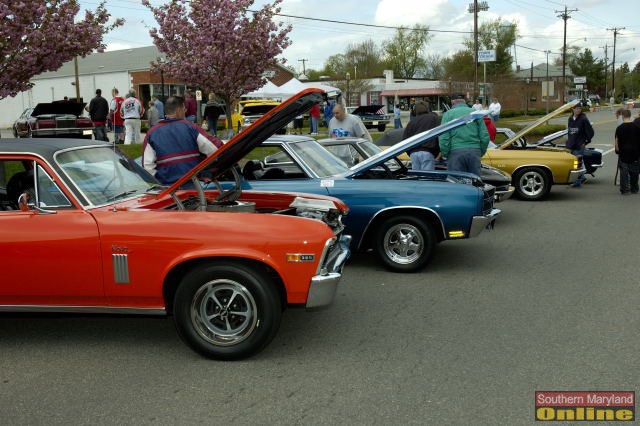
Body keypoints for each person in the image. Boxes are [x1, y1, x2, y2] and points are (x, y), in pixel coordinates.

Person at [142, 95, 224, 186]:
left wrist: (160, 183)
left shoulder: (151, 133)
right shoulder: (190, 127)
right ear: (178, 110)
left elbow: (147, 167)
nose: (185, 112)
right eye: (184, 109)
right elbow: (214, 149)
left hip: (166, 189)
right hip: (191, 185)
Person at [439, 98, 490, 177]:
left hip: (455, 152)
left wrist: (445, 153)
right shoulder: (475, 113)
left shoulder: (448, 114)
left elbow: (443, 137)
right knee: (474, 182)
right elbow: (484, 136)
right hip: (474, 151)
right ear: (465, 103)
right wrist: (481, 151)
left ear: (452, 104)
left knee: (457, 184)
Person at [402, 101, 440, 170]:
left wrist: (410, 152)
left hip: (413, 154)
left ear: (415, 111)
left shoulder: (411, 122)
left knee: (416, 178)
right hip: (428, 152)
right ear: (427, 109)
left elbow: (405, 140)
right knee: (427, 178)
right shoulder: (433, 118)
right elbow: (440, 134)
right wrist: (438, 152)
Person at [566, 103, 594, 187]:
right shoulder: (570, 119)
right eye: (576, 108)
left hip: (579, 145)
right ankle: (581, 177)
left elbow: (591, 132)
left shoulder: (583, 119)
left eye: (579, 108)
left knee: (577, 163)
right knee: (575, 163)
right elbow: (570, 132)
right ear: (573, 109)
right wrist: (568, 142)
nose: (578, 110)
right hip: (571, 145)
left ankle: (578, 181)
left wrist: (585, 142)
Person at [614, 109, 640, 194]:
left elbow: (617, 141)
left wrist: (617, 151)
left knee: (624, 172)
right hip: (635, 152)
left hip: (624, 152)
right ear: (630, 115)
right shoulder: (636, 127)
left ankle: (625, 189)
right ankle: (634, 188)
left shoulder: (619, 128)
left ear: (622, 116)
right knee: (634, 171)